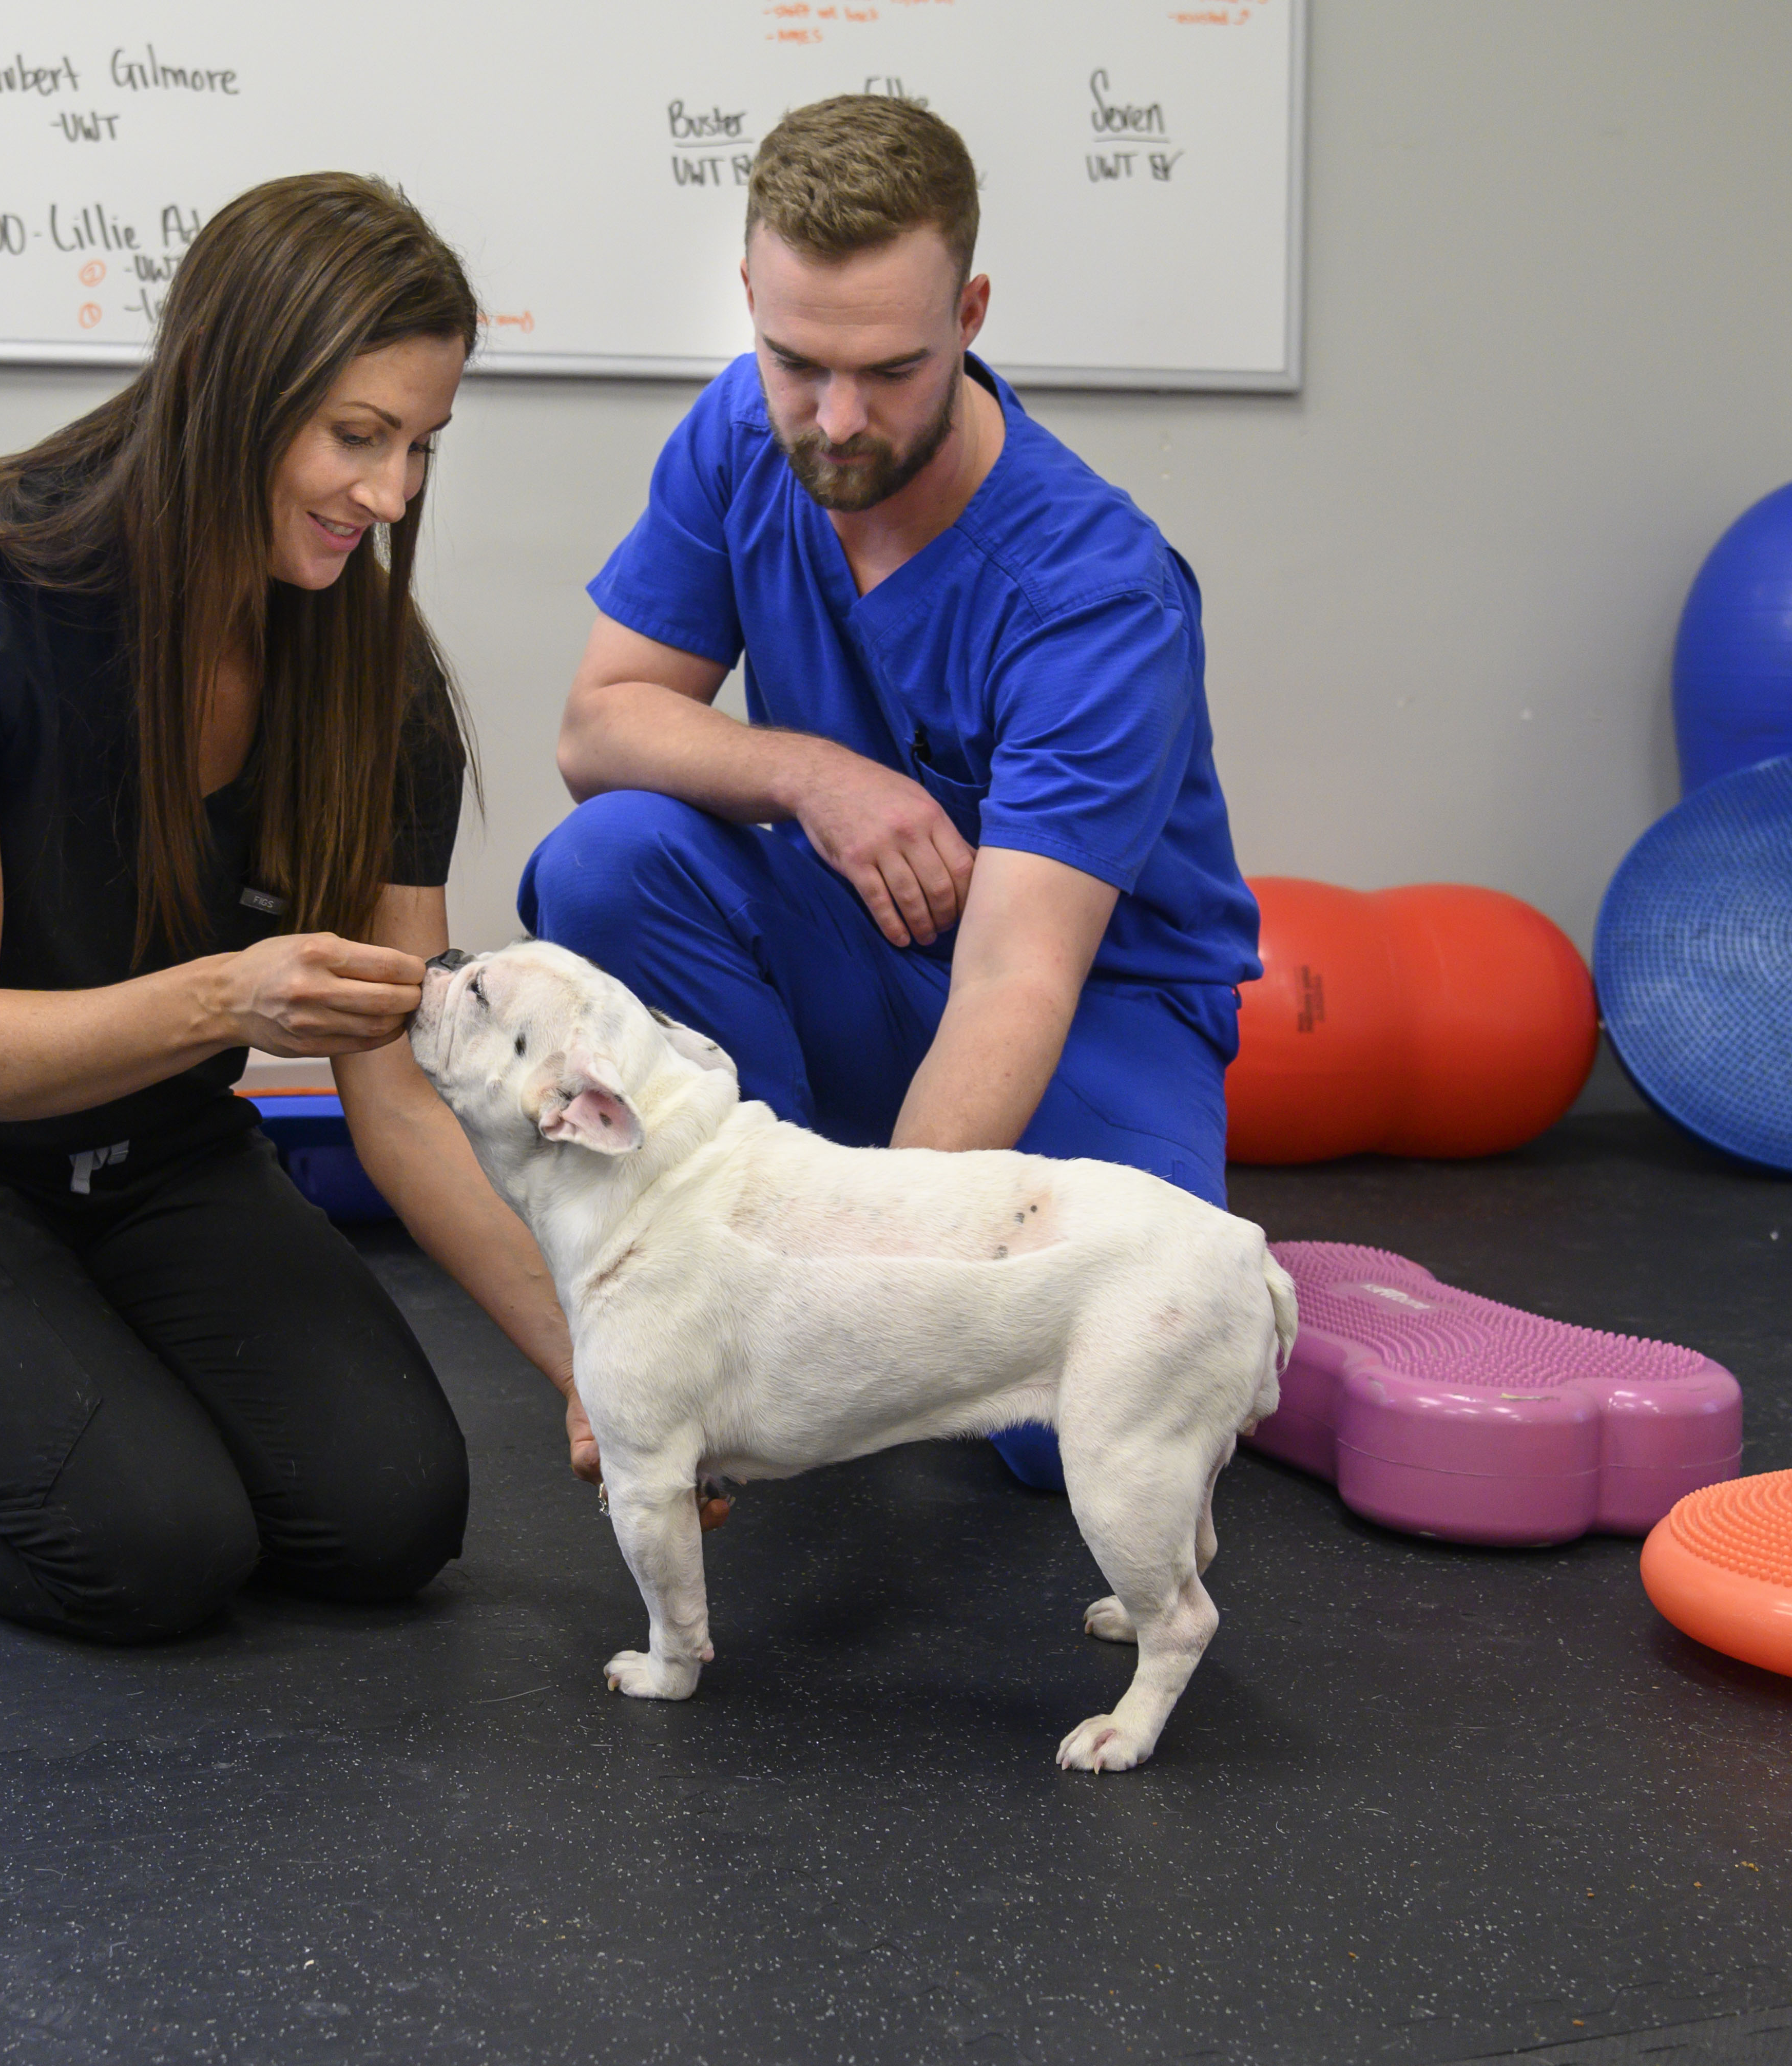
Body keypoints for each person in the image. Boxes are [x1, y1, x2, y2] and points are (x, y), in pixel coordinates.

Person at [0, 174, 579, 1642]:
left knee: (391, 1519)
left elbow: (411, 1100)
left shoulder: (374, 678)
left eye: (422, 446)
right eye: (357, 438)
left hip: (153, 1159)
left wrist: (598, 1370)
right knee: (150, 1551)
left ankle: (60, 1361)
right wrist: (231, 999)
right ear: (231, 392)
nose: (393, 497)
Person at [521, 97, 1262, 1487]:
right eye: (796, 360)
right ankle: (765, 1233)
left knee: (1057, 1438)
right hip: (862, 957)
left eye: (891, 371)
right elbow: (597, 728)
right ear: (746, 295)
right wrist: (814, 775)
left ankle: (809, 1249)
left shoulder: (1098, 592)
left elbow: (1013, 984)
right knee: (606, 861)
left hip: (1088, 1008)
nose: (837, 419)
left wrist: (839, 1314)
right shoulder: (742, 430)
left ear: (971, 312)